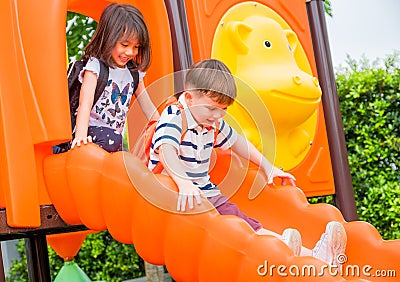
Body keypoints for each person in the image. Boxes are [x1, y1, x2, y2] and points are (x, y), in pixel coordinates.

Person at [148, 59, 347, 266]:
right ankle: (282, 250)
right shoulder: (174, 117)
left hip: (205, 194)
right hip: (173, 196)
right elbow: (166, 149)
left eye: (223, 109)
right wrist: (184, 183)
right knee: (233, 233)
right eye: (212, 109)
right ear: (189, 98)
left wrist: (268, 167)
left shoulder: (211, 122)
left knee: (244, 224)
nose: (218, 116)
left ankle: (314, 257)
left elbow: (239, 143)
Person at [71, 3, 159, 152]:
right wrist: (80, 136)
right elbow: (85, 103)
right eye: (125, 45)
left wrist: (163, 128)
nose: (131, 52)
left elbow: (148, 107)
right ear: (109, 38)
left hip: (113, 139)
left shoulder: (133, 74)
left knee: (125, 156)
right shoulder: (95, 67)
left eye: (136, 47)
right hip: (90, 134)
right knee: (113, 139)